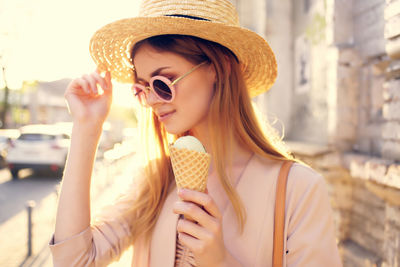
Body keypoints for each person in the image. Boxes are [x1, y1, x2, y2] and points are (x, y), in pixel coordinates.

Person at [49, 0, 343, 266]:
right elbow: (73, 262)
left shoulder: (299, 189)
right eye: (141, 88)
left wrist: (221, 262)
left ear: (220, 67)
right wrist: (86, 128)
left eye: (163, 83)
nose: (151, 100)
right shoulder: (155, 180)